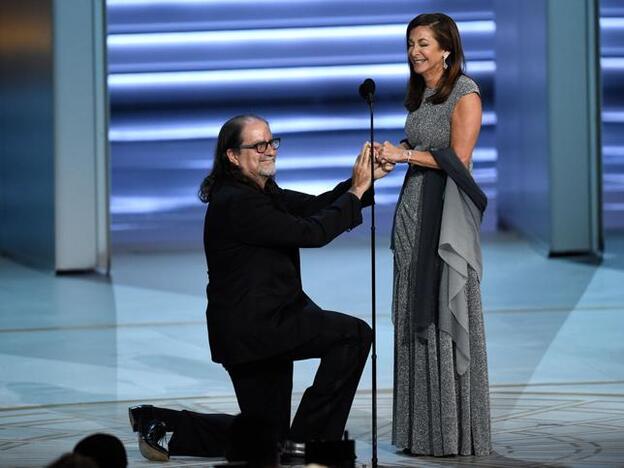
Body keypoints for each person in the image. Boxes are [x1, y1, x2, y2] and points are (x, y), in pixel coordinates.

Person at [129, 114, 394, 461]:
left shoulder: (261, 191)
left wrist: (362, 183)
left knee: (265, 439)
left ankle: (163, 423)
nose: (269, 151)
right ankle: (309, 449)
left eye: (271, 142)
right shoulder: (237, 202)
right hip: (257, 329)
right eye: (258, 145)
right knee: (353, 335)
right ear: (232, 156)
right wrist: (356, 191)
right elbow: (310, 233)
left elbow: (315, 208)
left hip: (267, 323)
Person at [375, 13, 492, 456]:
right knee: (412, 316)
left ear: (446, 49)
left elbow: (457, 161)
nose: (415, 52)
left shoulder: (466, 92)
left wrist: (404, 155)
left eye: (423, 44)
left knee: (444, 309)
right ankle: (419, 432)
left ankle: (453, 432)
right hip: (412, 212)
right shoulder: (421, 95)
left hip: (445, 218)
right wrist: (391, 160)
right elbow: (422, 154)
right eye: (410, 44)